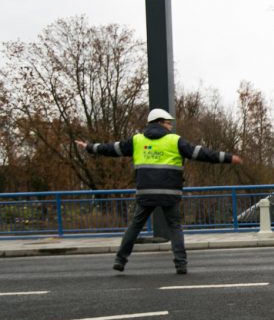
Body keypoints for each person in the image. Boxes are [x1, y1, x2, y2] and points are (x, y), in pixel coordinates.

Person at [75, 108, 242, 274]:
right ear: (160, 122)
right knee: (175, 227)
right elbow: (200, 153)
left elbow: (112, 149)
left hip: (146, 192)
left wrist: (89, 147)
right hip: (170, 193)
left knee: (135, 225)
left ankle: (120, 260)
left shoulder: (137, 140)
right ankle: (180, 264)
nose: (170, 126)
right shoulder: (175, 141)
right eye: (169, 123)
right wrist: (228, 158)